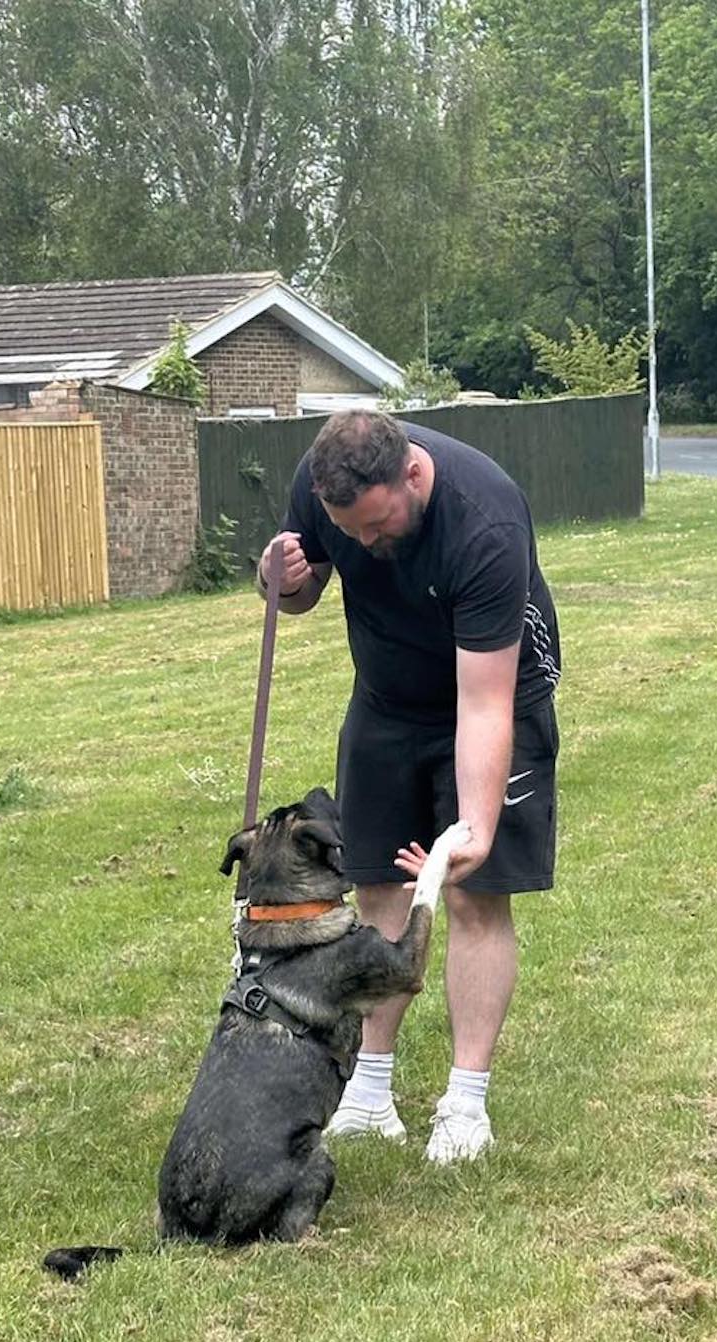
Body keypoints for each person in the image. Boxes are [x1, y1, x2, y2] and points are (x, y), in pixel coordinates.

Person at [258, 410, 560, 1164]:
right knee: (378, 889)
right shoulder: (324, 482)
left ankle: (465, 1103)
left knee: (473, 895)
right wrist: (280, 581)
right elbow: (301, 591)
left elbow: (483, 704)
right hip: (385, 700)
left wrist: (476, 827)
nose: (364, 543)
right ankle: (368, 1092)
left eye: (376, 526)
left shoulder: (483, 521)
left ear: (414, 476)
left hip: (493, 695)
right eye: (348, 531)